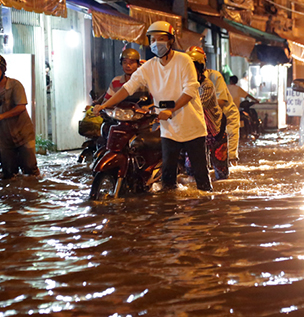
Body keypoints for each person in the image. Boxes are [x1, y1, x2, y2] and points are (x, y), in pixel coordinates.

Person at [92, 21, 211, 192]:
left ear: (171, 41)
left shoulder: (183, 60)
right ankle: (172, 214)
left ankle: (205, 213)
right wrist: (103, 105)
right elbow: (128, 88)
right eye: (153, 39)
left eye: (161, 39)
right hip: (169, 129)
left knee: (201, 178)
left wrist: (171, 109)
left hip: (192, 128)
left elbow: (190, 90)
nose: (156, 43)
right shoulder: (148, 67)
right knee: (168, 179)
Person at [187, 47, 241, 164]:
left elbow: (221, 101)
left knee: (228, 155)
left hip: (222, 119)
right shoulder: (186, 81)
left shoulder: (211, 80)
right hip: (203, 122)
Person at [186, 47, 229, 180]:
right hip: (197, 131)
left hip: (215, 130)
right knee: (191, 168)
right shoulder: (183, 85)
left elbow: (198, 105)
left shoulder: (207, 85)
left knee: (220, 170)